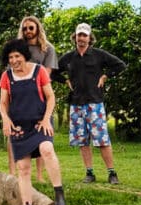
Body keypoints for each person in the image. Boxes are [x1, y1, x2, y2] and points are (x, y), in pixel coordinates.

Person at [0, 39, 66, 205]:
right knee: (23, 167)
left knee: (47, 149)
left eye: (17, 56)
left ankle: (59, 195)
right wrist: (5, 119)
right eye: (10, 57)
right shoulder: (7, 76)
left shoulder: (39, 71)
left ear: (24, 56)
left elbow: (51, 97)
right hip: (19, 127)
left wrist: (46, 120)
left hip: (39, 123)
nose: (14, 60)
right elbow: (3, 103)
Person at [52, 23, 126, 184]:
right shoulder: (69, 58)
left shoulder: (99, 55)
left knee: (102, 140)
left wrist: (105, 76)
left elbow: (120, 65)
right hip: (76, 104)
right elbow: (53, 72)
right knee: (82, 140)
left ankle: (112, 173)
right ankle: (89, 172)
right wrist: (65, 81)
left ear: (89, 38)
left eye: (84, 35)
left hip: (95, 103)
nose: (81, 38)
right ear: (75, 37)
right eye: (79, 35)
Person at [17, 16, 59, 181]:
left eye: (31, 28)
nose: (28, 31)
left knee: (42, 135)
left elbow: (46, 74)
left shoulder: (48, 49)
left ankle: (40, 175)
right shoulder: (18, 48)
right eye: (25, 28)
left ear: (37, 29)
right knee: (19, 134)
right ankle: (16, 173)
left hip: (40, 97)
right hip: (20, 97)